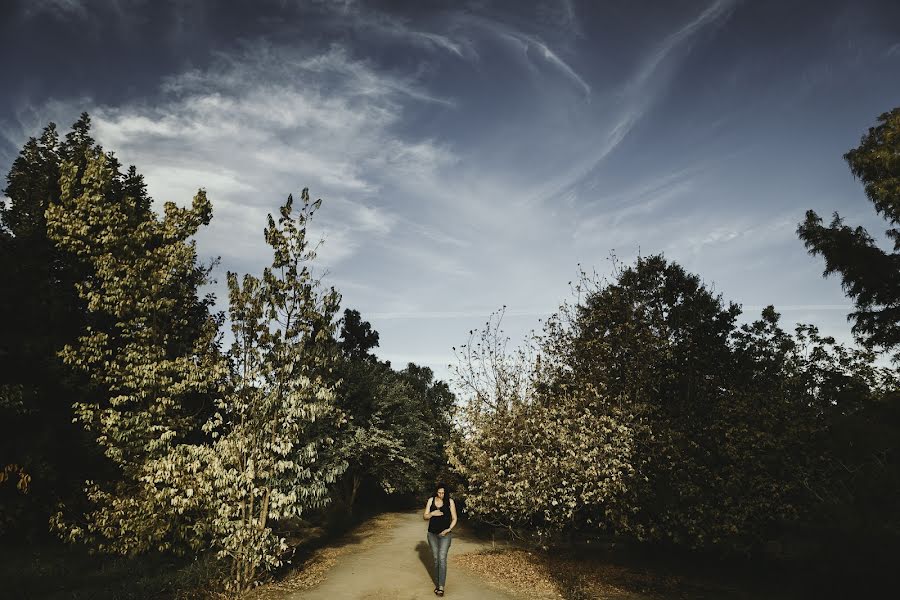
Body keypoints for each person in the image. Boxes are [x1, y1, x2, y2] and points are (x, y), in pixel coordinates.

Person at [423, 482, 457, 596]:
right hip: (432, 534)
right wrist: (432, 513)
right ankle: (438, 583)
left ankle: (440, 586)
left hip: (445, 535)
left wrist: (448, 530)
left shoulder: (450, 502)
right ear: (436, 492)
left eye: (443, 493)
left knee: (442, 558)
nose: (441, 494)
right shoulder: (431, 500)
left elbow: (454, 518)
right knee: (437, 559)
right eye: (439, 492)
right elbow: (425, 516)